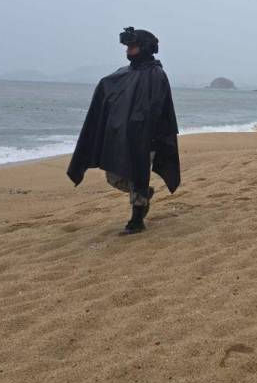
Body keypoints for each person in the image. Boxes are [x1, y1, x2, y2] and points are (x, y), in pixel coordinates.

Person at [67, 27, 181, 234]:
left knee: (138, 174)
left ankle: (137, 220)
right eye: (127, 47)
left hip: (147, 138)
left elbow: (155, 107)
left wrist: (144, 131)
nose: (129, 50)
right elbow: (111, 96)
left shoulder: (156, 74)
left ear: (145, 47)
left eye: (133, 46)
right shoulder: (123, 74)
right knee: (114, 176)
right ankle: (144, 193)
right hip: (123, 137)